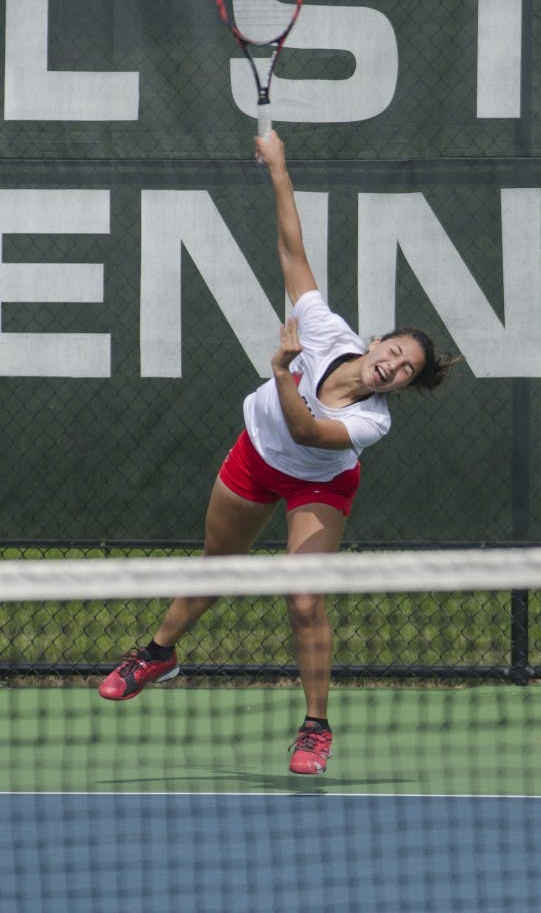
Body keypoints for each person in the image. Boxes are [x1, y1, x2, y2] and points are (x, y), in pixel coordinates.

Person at [99, 131, 455, 775]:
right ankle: (158, 654)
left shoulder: (371, 422)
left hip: (319, 484)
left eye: (405, 371)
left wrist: (284, 374)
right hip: (255, 456)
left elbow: (312, 436)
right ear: (376, 342)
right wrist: (281, 169)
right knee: (218, 568)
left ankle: (315, 727)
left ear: (403, 387)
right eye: (394, 352)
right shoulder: (324, 329)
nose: (393, 367)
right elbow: (293, 250)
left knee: (303, 598)